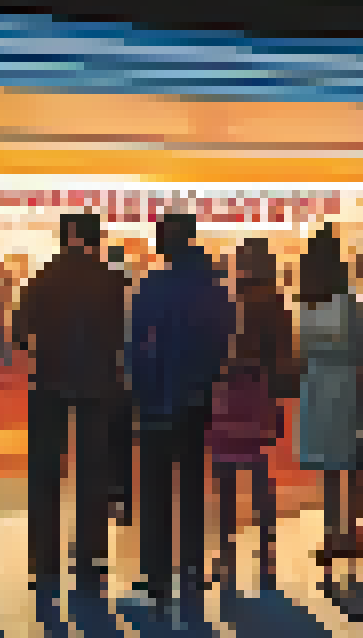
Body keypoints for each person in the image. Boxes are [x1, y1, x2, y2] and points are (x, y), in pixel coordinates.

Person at [122, 212, 235, 617]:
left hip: (156, 399)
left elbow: (136, 346)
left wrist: (140, 388)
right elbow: (224, 343)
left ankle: (155, 573)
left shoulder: (151, 287)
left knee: (154, 489)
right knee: (190, 483)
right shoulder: (213, 288)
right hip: (196, 397)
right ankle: (189, 566)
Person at [15, 212, 130, 599]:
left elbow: (18, 332)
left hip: (49, 382)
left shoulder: (43, 277)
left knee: (46, 472)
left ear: (64, 237)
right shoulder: (112, 279)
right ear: (93, 238)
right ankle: (90, 554)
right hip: (98, 385)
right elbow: (123, 333)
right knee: (92, 471)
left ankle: (44, 557)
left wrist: (39, 349)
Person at [207, 233, 294, 596]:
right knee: (261, 474)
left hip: (229, 394)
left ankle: (227, 554)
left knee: (227, 477)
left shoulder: (230, 303)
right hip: (261, 396)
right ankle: (267, 551)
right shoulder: (276, 304)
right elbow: (286, 358)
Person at [294, 223, 363, 580]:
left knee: (327, 465)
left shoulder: (306, 303)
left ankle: (329, 535)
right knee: (350, 461)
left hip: (316, 385)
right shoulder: (348, 302)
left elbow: (299, 350)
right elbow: (360, 347)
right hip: (346, 384)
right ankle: (352, 531)